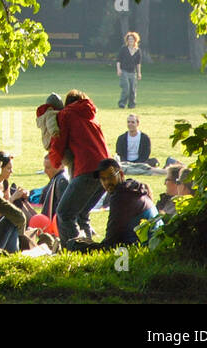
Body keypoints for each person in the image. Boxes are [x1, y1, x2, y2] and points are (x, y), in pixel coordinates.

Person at [49, 89, 110, 244]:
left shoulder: (67, 114)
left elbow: (59, 141)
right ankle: (88, 250)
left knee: (64, 214)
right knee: (82, 214)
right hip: (107, 170)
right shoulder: (92, 116)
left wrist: (55, 162)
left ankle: (74, 251)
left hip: (87, 170)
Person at [88, 159, 159, 250]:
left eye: (110, 177)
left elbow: (112, 238)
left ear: (121, 174)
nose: (106, 182)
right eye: (103, 179)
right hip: (153, 243)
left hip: (143, 248)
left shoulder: (121, 196)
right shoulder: (132, 188)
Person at [34, 152, 70, 235]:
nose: (45, 171)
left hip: (54, 227)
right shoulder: (56, 178)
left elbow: (62, 211)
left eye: (48, 168)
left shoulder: (62, 181)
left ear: (60, 166)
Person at [117, 30, 142, 109]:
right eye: (129, 39)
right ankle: (122, 104)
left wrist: (139, 73)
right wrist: (118, 70)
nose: (130, 40)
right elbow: (118, 60)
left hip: (133, 73)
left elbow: (138, 63)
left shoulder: (138, 51)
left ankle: (132, 105)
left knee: (133, 90)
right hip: (124, 71)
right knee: (126, 88)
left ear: (135, 40)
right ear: (127, 40)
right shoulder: (123, 49)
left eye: (132, 39)